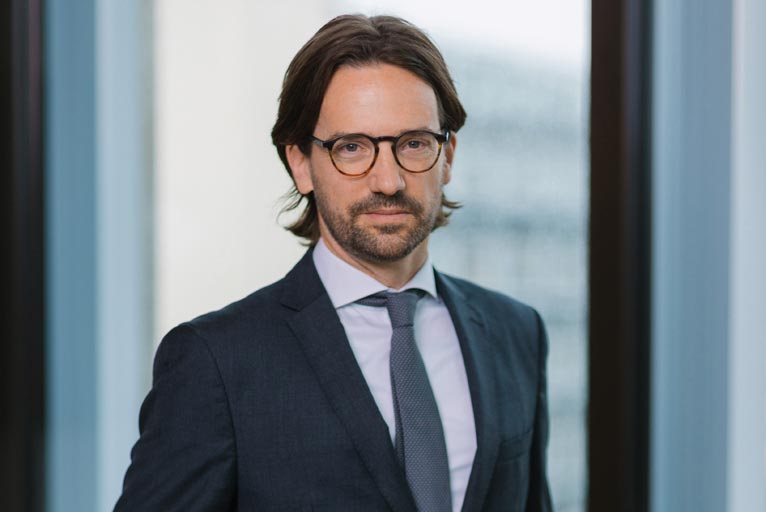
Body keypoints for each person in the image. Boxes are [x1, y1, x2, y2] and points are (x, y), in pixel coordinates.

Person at [116, 14, 553, 512]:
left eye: (414, 143)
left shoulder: (516, 333)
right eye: (352, 148)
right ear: (301, 163)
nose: (387, 181)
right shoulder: (215, 361)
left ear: (448, 155)